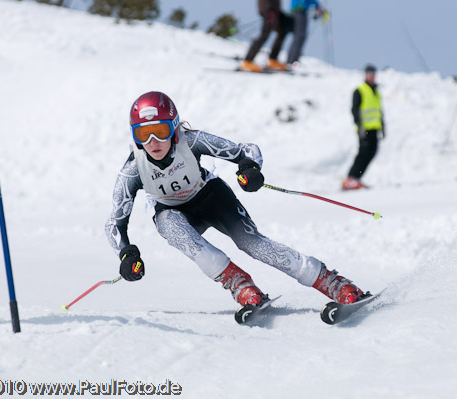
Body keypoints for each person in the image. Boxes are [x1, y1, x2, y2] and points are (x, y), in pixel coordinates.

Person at [105, 91, 369, 311]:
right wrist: (126, 253)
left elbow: (246, 151)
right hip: (173, 213)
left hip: (211, 198)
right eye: (144, 134)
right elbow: (115, 224)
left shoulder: (193, 141)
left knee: (252, 245)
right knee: (170, 226)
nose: (153, 142)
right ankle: (241, 286)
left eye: (160, 131)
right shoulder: (132, 170)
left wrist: (249, 169)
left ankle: (334, 284)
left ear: (174, 126)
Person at [342, 64, 385, 191]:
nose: (371, 76)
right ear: (365, 75)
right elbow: (355, 110)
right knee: (363, 153)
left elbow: (379, 110)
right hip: (364, 129)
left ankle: (357, 178)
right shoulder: (360, 90)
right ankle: (351, 178)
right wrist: (359, 126)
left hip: (374, 128)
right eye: (369, 73)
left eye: (373, 73)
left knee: (372, 152)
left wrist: (383, 127)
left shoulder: (376, 91)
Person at [241, 0, 292, 72]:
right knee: (265, 34)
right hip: (269, 9)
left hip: (274, 10)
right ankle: (247, 61)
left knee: (282, 32)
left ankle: (273, 60)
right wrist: (270, 8)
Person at [287, 0, 325, 67]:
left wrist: (317, 6)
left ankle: (292, 61)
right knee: (300, 36)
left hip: (298, 10)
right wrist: (317, 5)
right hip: (299, 10)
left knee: (299, 36)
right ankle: (292, 61)